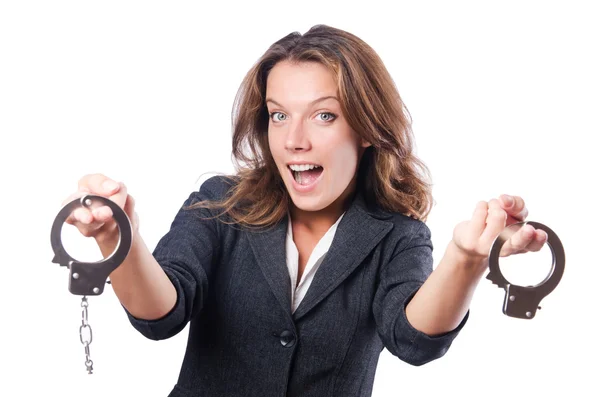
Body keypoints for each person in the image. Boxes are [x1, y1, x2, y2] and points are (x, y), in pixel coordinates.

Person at [62, 24, 548, 397]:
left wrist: (466, 257)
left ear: (367, 128)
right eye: (278, 115)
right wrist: (115, 238)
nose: (294, 140)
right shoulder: (220, 204)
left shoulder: (397, 235)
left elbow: (414, 339)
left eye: (324, 115)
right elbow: (161, 313)